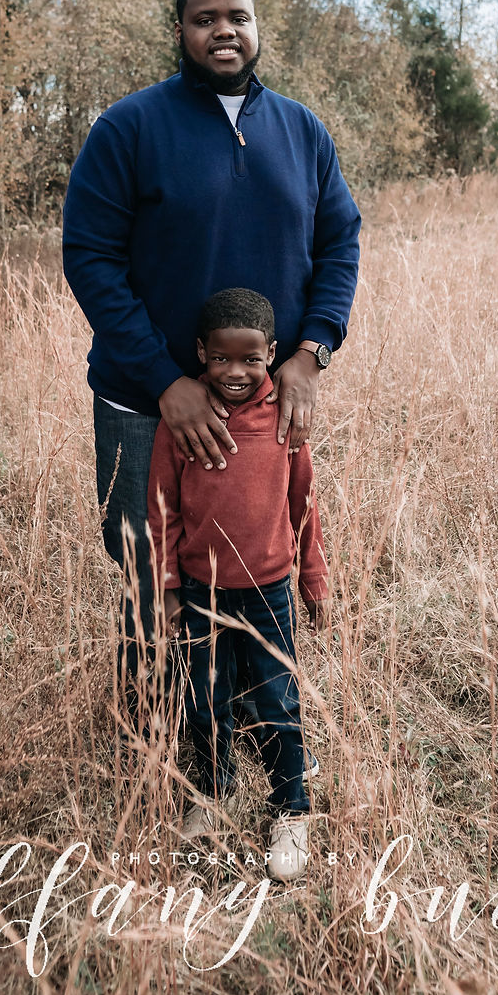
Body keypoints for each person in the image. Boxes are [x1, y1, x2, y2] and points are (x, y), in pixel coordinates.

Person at [62, 0, 360, 694]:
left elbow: (340, 241)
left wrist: (311, 353)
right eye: (205, 19)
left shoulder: (301, 130)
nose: (224, 30)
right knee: (152, 572)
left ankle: (253, 726)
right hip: (145, 402)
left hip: (263, 402)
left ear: (256, 30)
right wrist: (167, 381)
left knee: (256, 564)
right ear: (179, 32)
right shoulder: (128, 128)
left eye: (238, 17)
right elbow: (90, 257)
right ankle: (158, 736)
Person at [148, 288, 327, 882]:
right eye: (221, 357)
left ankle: (292, 808)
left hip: (270, 589)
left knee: (278, 698)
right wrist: (167, 586)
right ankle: (213, 793)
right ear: (201, 352)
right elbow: (162, 510)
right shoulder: (183, 423)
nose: (235, 372)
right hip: (202, 590)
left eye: (251, 359)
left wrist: (314, 578)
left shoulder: (284, 418)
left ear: (271, 354)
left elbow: (304, 503)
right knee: (205, 697)